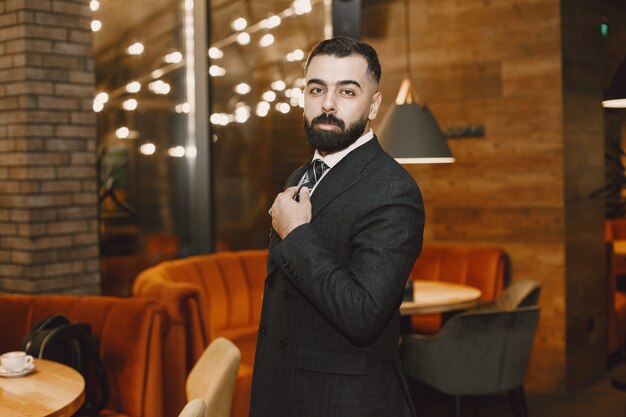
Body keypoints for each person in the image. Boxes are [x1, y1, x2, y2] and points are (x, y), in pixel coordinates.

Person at [249, 37, 425, 417]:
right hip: (282, 392)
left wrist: (296, 235)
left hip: (344, 402)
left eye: (347, 91)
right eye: (317, 89)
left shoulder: (394, 189)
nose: (328, 104)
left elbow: (363, 314)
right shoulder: (300, 175)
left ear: (373, 104)